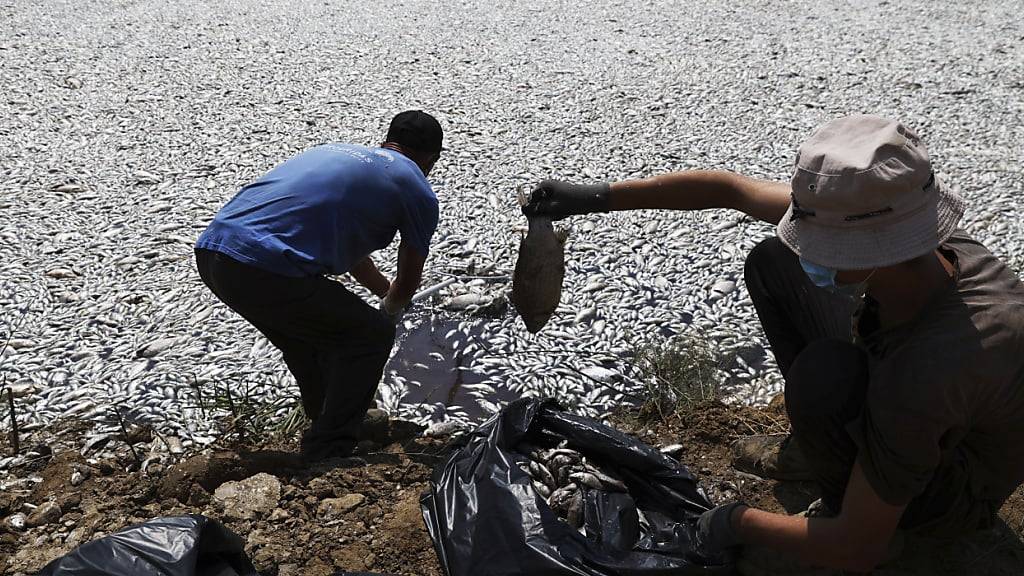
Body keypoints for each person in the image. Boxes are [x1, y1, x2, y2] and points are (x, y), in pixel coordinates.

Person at [522, 115, 1024, 571]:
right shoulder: (917, 241)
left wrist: (735, 521)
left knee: (822, 377)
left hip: (951, 493)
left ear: (869, 248)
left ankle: (881, 515)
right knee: (776, 260)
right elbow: (730, 190)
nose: (811, 249)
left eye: (822, 245)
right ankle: (831, 452)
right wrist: (592, 197)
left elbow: (856, 548)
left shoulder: (926, 374)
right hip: (923, 405)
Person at [194, 111, 442, 462]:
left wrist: (380, 292)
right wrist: (389, 311)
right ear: (433, 157)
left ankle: (326, 420)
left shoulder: (338, 153)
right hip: (265, 269)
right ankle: (330, 450)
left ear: (387, 140)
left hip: (214, 254)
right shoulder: (416, 188)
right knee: (369, 336)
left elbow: (354, 257)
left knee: (306, 340)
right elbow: (409, 280)